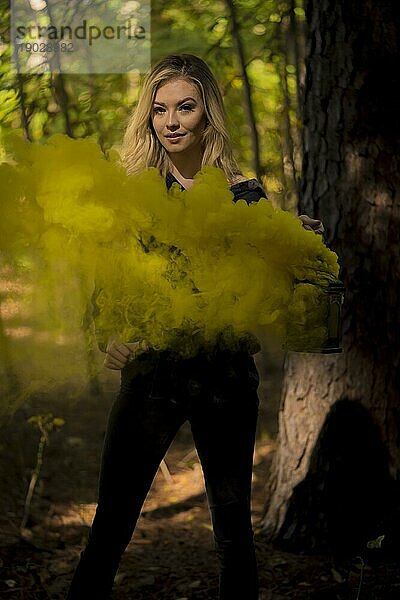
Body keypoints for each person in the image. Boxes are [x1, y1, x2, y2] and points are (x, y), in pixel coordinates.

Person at [66, 53, 323, 600]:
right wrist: (107, 334)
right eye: (159, 110)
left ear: (209, 113)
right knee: (111, 524)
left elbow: (267, 285)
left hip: (225, 372)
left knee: (233, 531)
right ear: (149, 118)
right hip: (152, 371)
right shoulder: (134, 190)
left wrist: (296, 243)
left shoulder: (244, 191)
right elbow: (105, 283)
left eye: (186, 106)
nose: (172, 121)